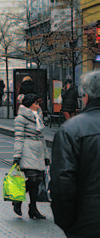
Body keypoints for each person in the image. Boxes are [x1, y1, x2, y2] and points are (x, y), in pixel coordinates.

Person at [50, 70, 100, 237]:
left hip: (87, 223)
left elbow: (62, 183)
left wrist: (68, 223)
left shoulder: (71, 130)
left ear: (86, 96)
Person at [12, 93, 49, 219]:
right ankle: (17, 200)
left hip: (38, 150)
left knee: (38, 180)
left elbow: (42, 137)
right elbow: (18, 138)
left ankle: (33, 208)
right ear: (29, 104)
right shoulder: (20, 119)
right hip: (27, 149)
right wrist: (17, 155)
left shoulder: (38, 116)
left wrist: (46, 155)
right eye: (35, 103)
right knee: (32, 179)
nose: (38, 106)